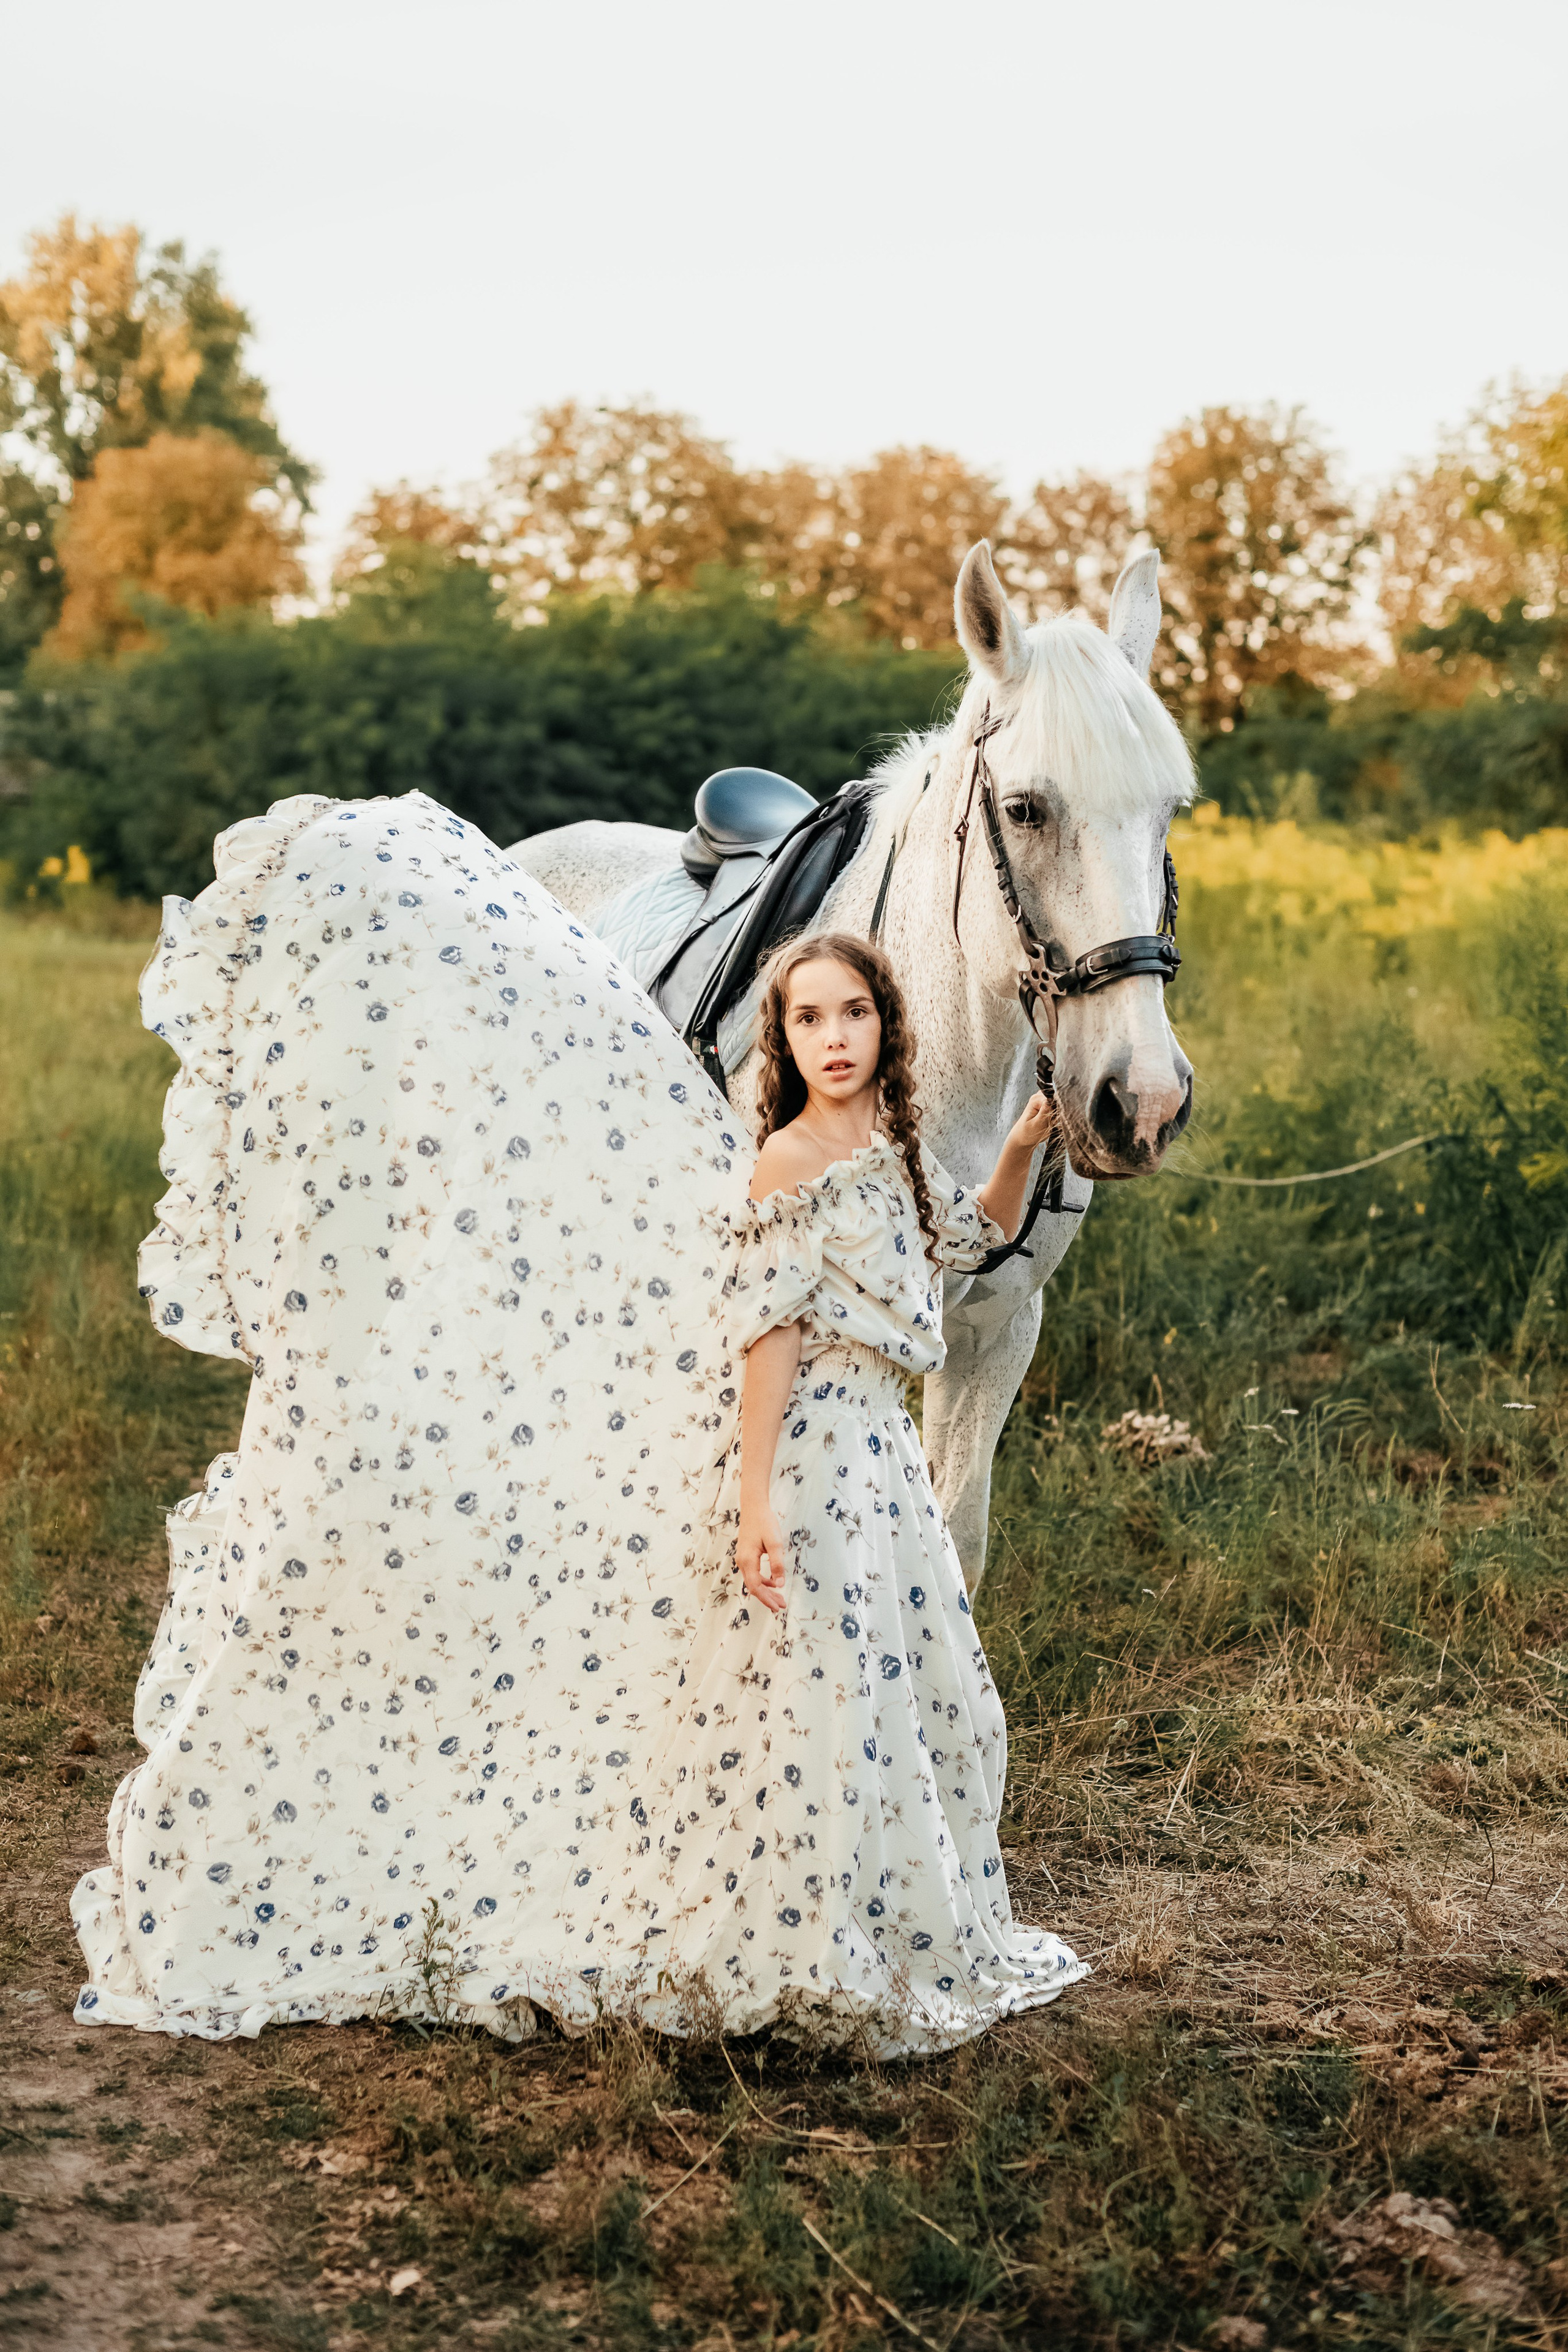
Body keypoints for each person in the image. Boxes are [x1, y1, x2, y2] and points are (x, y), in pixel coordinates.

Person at [73, 791, 1085, 2054]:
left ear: (890, 1030)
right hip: (818, 1455)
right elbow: (764, 1342)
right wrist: (753, 1498)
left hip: (883, 1464)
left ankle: (873, 1920)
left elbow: (957, 1248)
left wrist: (1022, 1149)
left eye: (854, 1014)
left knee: (896, 1695)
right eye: (808, 1018)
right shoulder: (782, 1167)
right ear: (782, 1036)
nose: (834, 1038)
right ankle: (780, 1941)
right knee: (807, 1699)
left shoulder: (891, 1151)